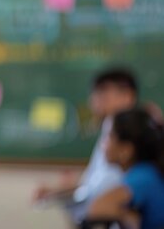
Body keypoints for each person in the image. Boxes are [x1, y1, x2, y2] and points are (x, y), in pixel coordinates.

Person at [34, 67, 139, 223]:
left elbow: (112, 186)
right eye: (95, 93)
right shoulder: (108, 128)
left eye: (104, 93)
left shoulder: (134, 133)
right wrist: (58, 190)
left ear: (128, 96)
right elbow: (93, 183)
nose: (95, 100)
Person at [86, 108, 164, 229]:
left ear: (126, 150)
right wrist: (126, 214)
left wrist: (123, 215)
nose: (103, 143)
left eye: (109, 137)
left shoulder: (143, 175)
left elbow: (97, 208)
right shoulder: (146, 171)